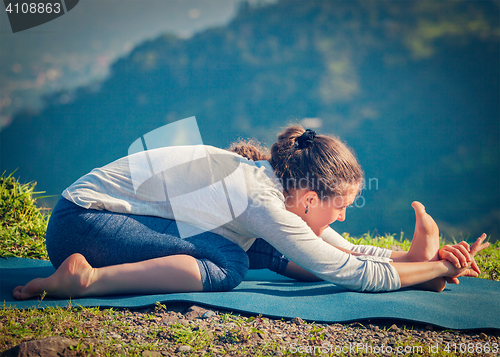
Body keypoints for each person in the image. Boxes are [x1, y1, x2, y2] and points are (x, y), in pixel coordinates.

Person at [13, 125, 489, 300]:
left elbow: (340, 250)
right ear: (306, 198)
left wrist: (412, 262)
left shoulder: (270, 181)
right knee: (231, 263)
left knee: (257, 246)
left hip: (95, 216)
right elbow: (346, 273)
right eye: (339, 206)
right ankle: (86, 281)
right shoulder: (261, 201)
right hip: (84, 223)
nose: (343, 217)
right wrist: (439, 265)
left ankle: (415, 270)